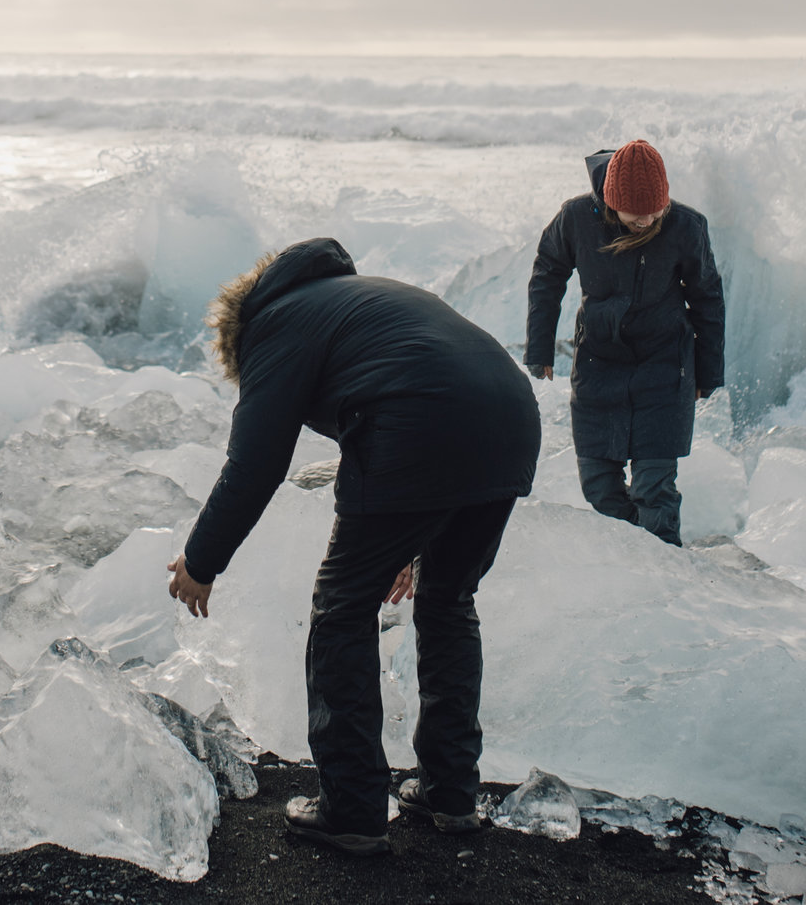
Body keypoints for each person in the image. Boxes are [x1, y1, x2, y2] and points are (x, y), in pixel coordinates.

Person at [165, 237, 542, 856]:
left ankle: (353, 809)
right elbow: (412, 384)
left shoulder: (274, 324)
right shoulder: (362, 301)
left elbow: (256, 462)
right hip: (509, 418)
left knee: (342, 608)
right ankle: (451, 793)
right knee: (448, 600)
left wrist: (202, 562)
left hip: (422, 422)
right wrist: (409, 543)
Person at [525, 139, 725, 546]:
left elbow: (707, 298)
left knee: (655, 488)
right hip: (600, 365)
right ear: (612, 201)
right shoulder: (577, 218)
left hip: (665, 367)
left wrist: (708, 370)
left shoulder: (685, 226)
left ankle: (667, 575)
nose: (648, 219)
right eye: (637, 213)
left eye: (656, 210)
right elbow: (548, 273)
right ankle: (634, 562)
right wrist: (540, 347)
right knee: (599, 487)